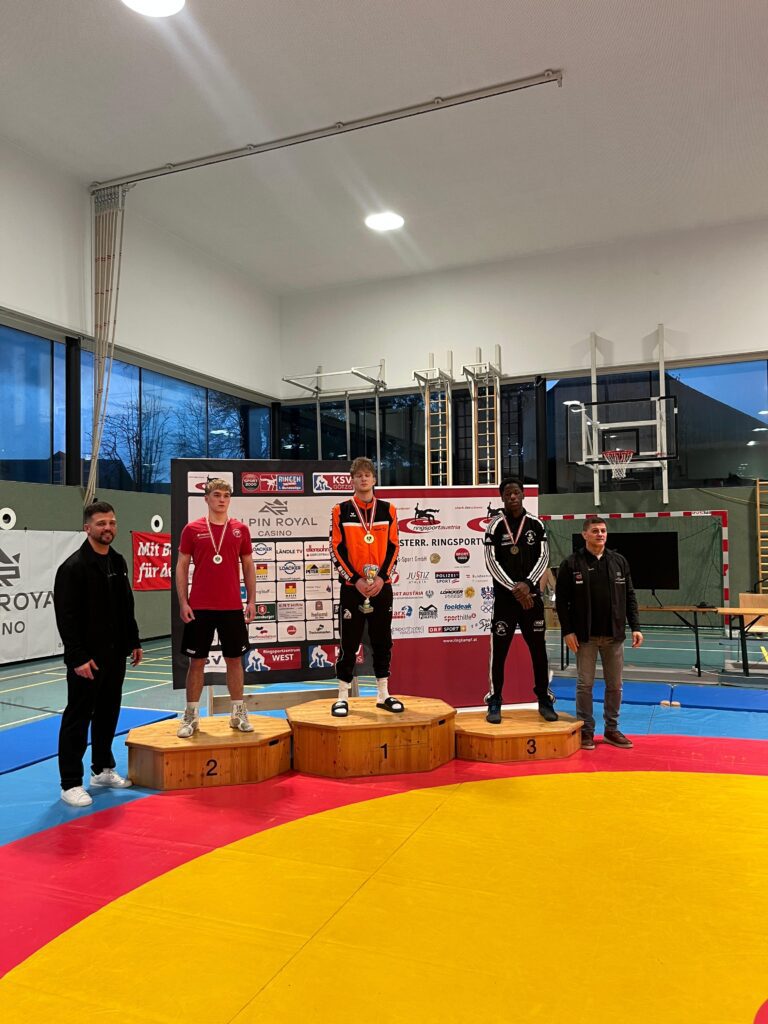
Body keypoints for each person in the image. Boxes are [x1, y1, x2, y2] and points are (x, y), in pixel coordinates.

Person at [54, 501, 142, 807]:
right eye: (101, 523)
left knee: (108, 712)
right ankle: (70, 783)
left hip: (115, 654)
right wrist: (77, 657)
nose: (108, 528)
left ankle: (102, 769)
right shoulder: (73, 567)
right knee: (78, 718)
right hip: (87, 660)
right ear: (87, 528)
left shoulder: (117, 561)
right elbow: (66, 618)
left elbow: (126, 605)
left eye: (112, 522)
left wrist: (134, 641)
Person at [175, 478, 256, 738]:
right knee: (196, 662)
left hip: (231, 606)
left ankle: (238, 713)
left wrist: (251, 600)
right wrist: (183, 602)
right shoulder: (192, 529)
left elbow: (248, 565)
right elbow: (181, 566)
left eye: (226, 495)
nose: (222, 500)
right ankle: (191, 715)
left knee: (234, 660)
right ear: (207, 498)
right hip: (200, 607)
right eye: (217, 495)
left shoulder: (240, 529)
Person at [555, 516, 644, 750]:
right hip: (585, 637)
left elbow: (630, 596)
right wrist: (567, 631)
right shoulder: (571, 563)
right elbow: (561, 601)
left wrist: (635, 626)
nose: (600, 534)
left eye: (603, 530)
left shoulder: (619, 561)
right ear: (584, 534)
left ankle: (611, 730)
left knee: (615, 685)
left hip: (614, 635)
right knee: (585, 685)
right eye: (595, 531)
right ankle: (586, 730)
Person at [329, 457, 400, 717]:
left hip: (382, 586)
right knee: (349, 642)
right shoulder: (341, 510)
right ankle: (342, 696)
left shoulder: (388, 510)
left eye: (367, 475)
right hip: (352, 587)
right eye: (358, 475)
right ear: (352, 480)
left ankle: (383, 694)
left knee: (383, 641)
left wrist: (382, 577)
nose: (363, 479)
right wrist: (354, 579)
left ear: (374, 479)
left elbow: (394, 546)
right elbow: (335, 548)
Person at [484, 477, 557, 724]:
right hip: (506, 601)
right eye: (508, 494)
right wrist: (515, 589)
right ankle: (495, 699)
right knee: (499, 653)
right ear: (502, 497)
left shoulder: (537, 524)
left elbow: (544, 557)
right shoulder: (494, 526)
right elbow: (491, 562)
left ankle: (544, 699)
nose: (512, 497)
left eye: (516, 492)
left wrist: (527, 584)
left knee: (538, 651)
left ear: (523, 494)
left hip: (531, 599)